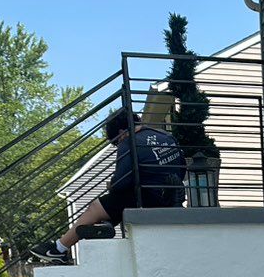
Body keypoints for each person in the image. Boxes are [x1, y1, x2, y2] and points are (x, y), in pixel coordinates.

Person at [33, 110, 186, 263]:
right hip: (170, 195)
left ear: (121, 133)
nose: (117, 146)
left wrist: (111, 185)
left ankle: (59, 249)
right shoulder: (165, 136)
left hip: (148, 199)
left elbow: (120, 183)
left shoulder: (129, 142)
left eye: (115, 142)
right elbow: (182, 168)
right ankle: (102, 226)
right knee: (116, 203)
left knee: (98, 205)